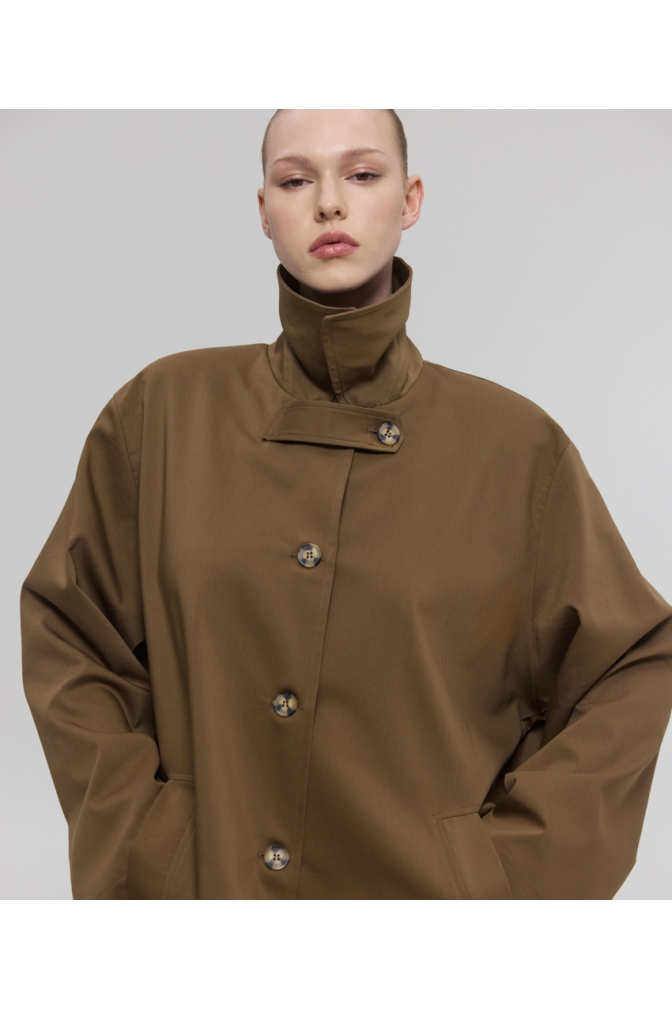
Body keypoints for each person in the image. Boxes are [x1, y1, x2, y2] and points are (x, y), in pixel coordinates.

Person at [21, 109, 672, 900]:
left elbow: (629, 666)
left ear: (410, 199)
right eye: (296, 180)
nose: (329, 202)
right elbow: (71, 636)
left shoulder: (516, 447)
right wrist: (146, 846)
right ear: (264, 210)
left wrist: (503, 880)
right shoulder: (162, 414)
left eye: (363, 174)